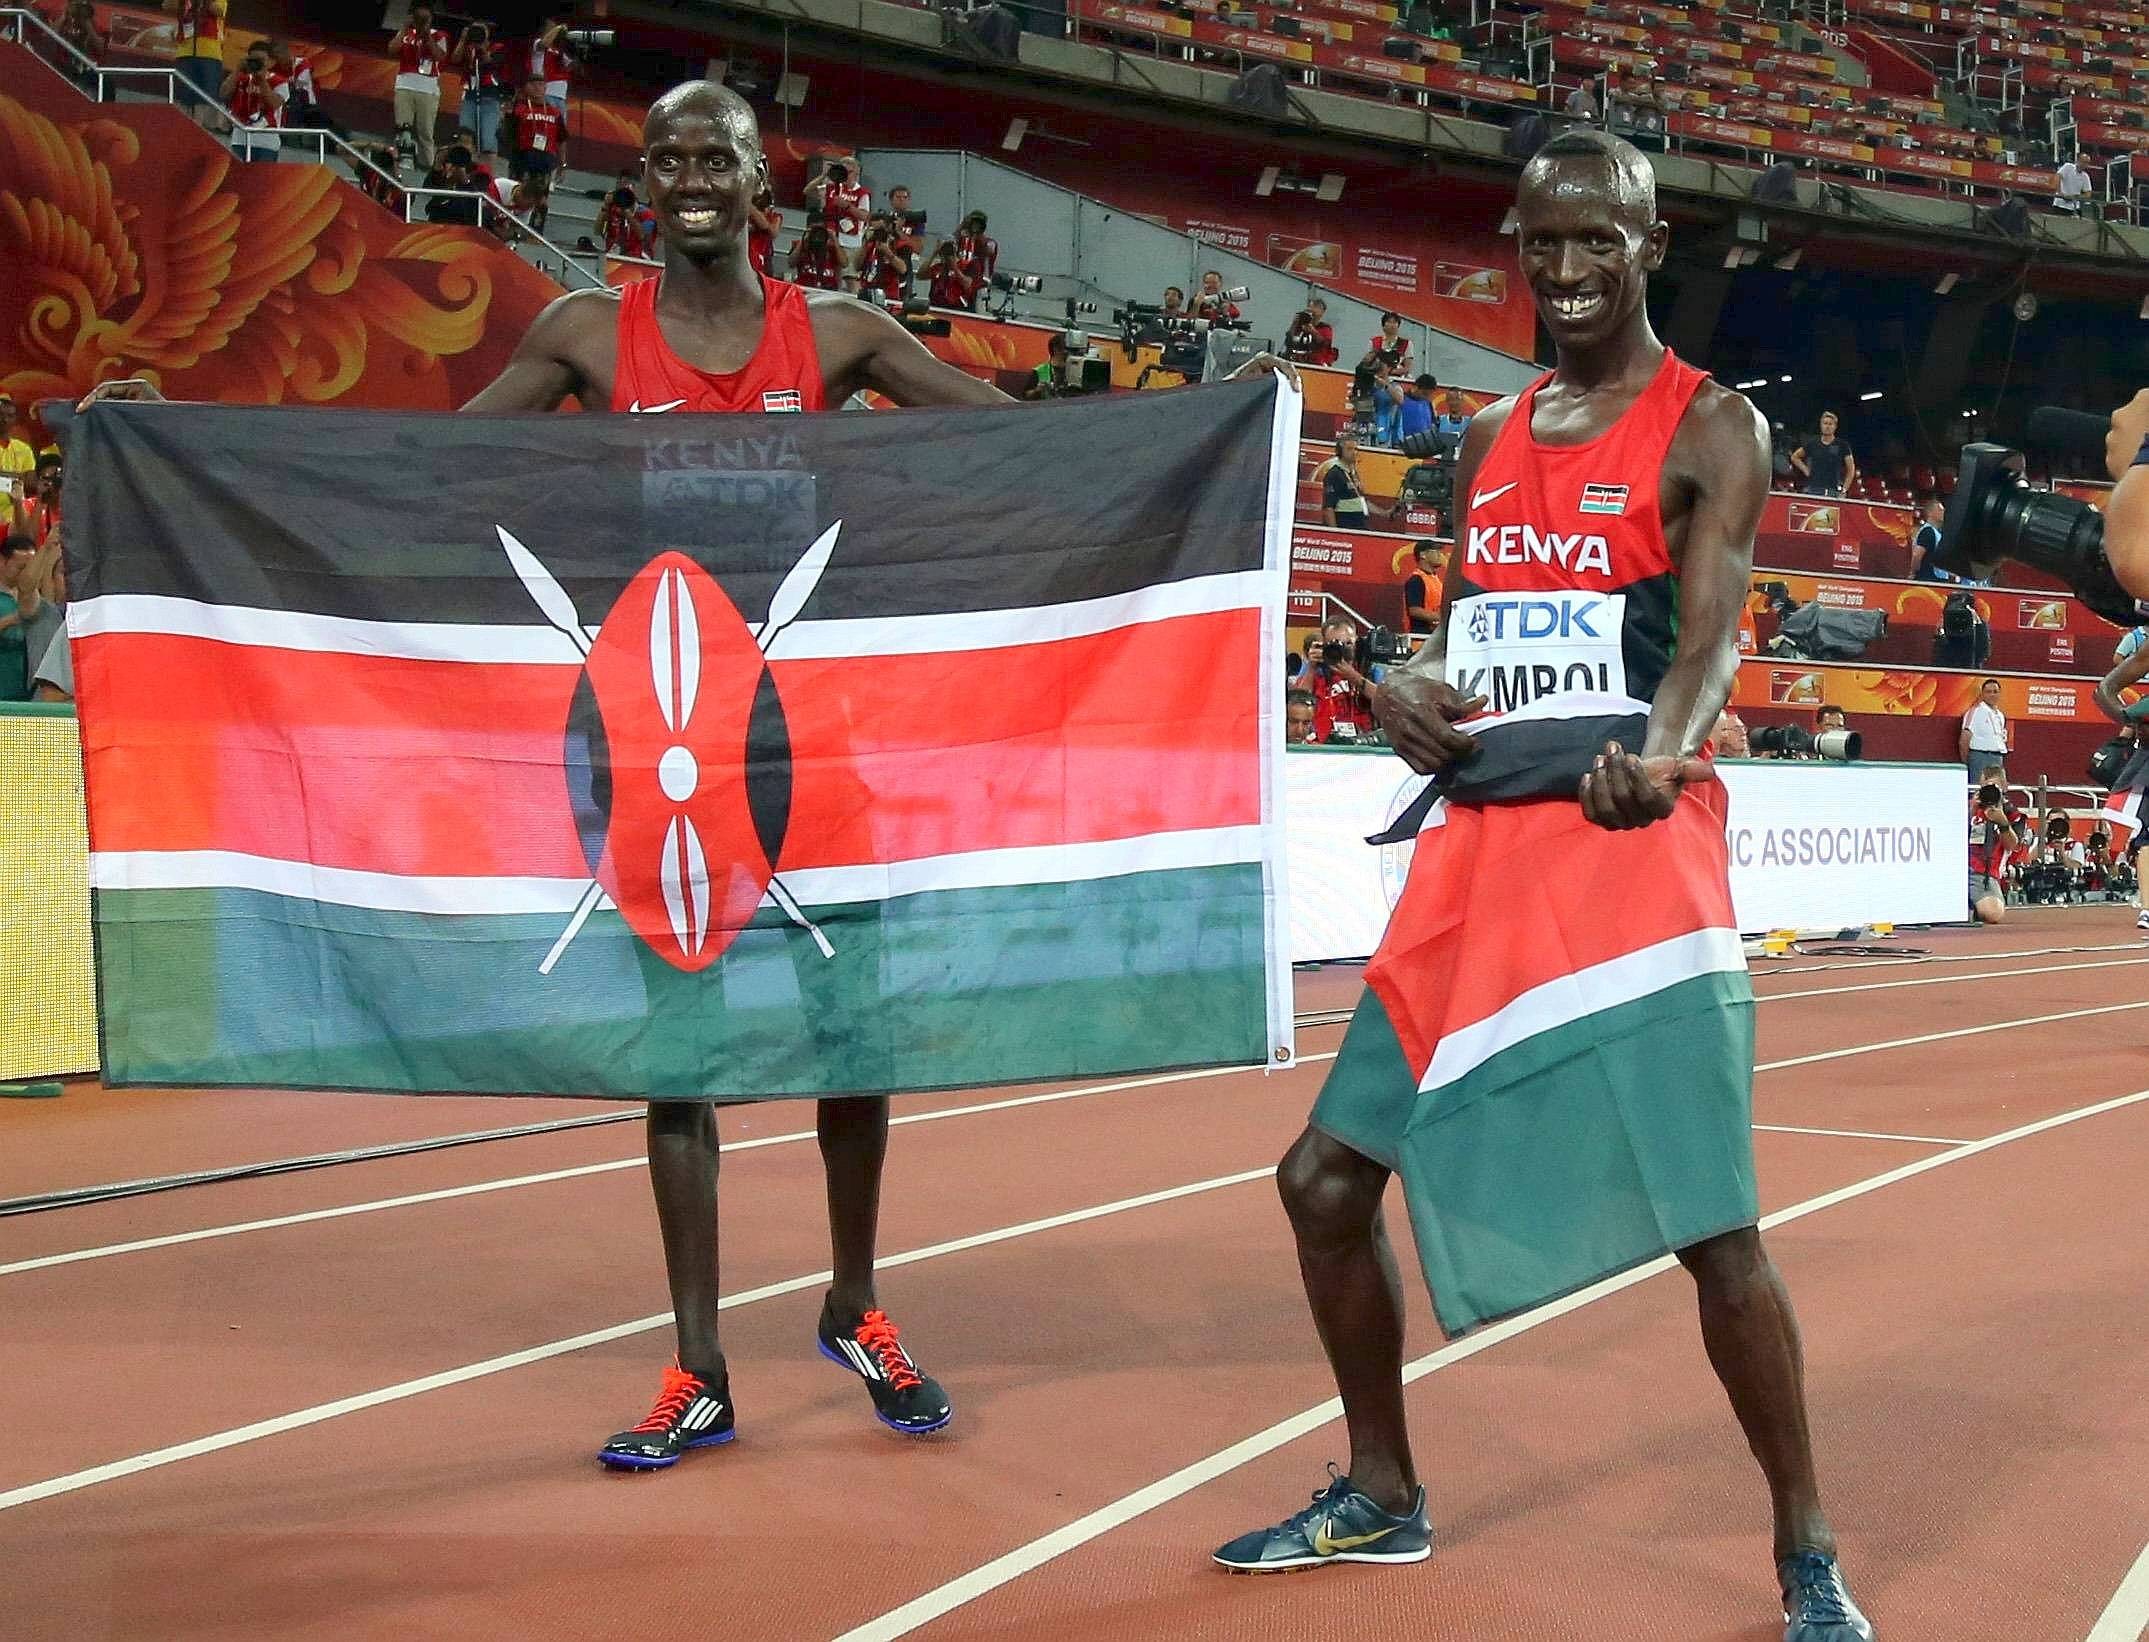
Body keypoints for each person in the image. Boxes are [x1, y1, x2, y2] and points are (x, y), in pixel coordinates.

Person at [81, 78, 1300, 1471]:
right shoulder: (588, 334)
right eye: (663, 156)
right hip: (664, 748)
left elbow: (1011, 437)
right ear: (642, 188)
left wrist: (1218, 422)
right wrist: (170, 430)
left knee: (860, 1035)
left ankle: (855, 1299)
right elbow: (417, 461)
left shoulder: (833, 332)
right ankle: (698, 1359)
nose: (688, 174)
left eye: (714, 153)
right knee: (679, 1056)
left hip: (816, 738)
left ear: (757, 184)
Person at [1214, 131, 1874, 1642]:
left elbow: (1702, 638)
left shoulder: (1707, 426)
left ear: (1651, 242)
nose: (1568, 271)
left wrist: (1665, 751)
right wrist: (1400, 680)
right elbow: (1478, 635)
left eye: (1600, 241)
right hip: (1477, 844)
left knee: (1715, 1226)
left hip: (1628, 851)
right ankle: (1381, 1489)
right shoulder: (1488, 437)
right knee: (1320, 1181)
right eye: (1545, 242)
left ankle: (1807, 1549)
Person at [391, 5, 450, 172]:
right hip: (404, 85)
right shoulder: (406, 34)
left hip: (428, 89)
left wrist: (427, 37)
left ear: (431, 19)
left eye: (426, 19)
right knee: (403, 126)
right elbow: (391, 49)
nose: (422, 22)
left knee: (425, 129)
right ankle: (404, 157)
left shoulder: (439, 35)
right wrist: (404, 28)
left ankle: (428, 163)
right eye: (419, 18)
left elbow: (440, 56)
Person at [1302, 618, 1377, 742]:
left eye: (1348, 643)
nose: (1342, 649)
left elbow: (1385, 699)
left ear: (1357, 642)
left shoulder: (1369, 669)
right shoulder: (1316, 668)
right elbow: (1298, 701)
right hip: (1324, 745)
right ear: (1325, 644)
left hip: (1363, 744)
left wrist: (1353, 676)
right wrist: (1311, 668)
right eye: (1335, 643)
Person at [1967, 780, 2023, 923]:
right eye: (1987, 788)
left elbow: (2012, 846)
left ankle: (1971, 907)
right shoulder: (1970, 807)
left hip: (1984, 874)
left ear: (2004, 788)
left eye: (1995, 788)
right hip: (1957, 869)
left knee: (1992, 913)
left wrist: (2003, 823)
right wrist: (1971, 811)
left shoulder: (2012, 815)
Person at [166, 0, 227, 128]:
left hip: (210, 53)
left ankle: (198, 129)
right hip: (185, 51)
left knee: (204, 95)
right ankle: (179, 128)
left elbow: (218, 10)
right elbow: (166, 5)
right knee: (183, 93)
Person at [455, 21, 508, 163]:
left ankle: (486, 174)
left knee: (488, 140)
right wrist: (462, 40)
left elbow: (490, 63)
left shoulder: (497, 47)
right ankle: (465, 166)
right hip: (469, 96)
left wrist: (482, 47)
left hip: (490, 98)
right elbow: (455, 59)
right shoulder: (468, 47)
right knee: (465, 134)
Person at [1789, 411, 1857, 498]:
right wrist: (1806, 470)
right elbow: (1795, 457)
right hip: (1813, 490)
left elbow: (1851, 469)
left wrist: (1844, 490)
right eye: (1825, 423)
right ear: (1821, 425)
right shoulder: (1813, 443)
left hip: (1833, 491)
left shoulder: (1842, 445)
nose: (1827, 426)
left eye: (1830, 424)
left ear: (1835, 427)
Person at [1960, 676, 2008, 781]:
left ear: (1999, 694)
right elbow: (1964, 738)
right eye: (1988, 692)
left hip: (1997, 757)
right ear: (1982, 694)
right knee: (1978, 791)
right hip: (1979, 757)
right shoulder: (1974, 712)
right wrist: (1967, 761)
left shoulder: (2000, 715)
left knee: (1995, 791)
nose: (1992, 694)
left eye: (1995, 691)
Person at [1320, 432, 1371, 529]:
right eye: (1349, 449)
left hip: (1359, 524)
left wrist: (1385, 513)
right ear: (1340, 451)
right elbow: (1328, 508)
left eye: (1356, 449)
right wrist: (1335, 533)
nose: (1354, 452)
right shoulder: (1334, 474)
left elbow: (1361, 500)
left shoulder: (1353, 472)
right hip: (1346, 526)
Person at [0, 393, 35, 533]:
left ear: (15, 420)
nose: (4, 419)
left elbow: (31, 483)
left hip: (15, 518)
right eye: (1, 414)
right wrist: (18, 477)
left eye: (10, 416)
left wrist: (5, 476)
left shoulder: (24, 449)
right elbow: (23, 479)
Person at [1401, 539, 1442, 637]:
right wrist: (1439, 618)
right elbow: (1414, 610)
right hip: (1421, 635)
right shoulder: (1416, 580)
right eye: (1436, 551)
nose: (1440, 555)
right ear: (1423, 555)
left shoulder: (1436, 580)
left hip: (1435, 634)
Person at [1284, 297, 1338, 366]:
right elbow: (1288, 342)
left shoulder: (1325, 328)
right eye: (1310, 307)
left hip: (1315, 364)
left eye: (1315, 307)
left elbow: (1324, 343)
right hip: (1296, 362)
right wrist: (1294, 324)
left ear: (1322, 312)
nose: (1311, 310)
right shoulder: (1299, 327)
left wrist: (1312, 331)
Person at [1363, 310, 1412, 377]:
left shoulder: (1406, 343)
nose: (1392, 325)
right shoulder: (1374, 341)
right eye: (1389, 322)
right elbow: (1367, 363)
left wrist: (1390, 371)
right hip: (1376, 377)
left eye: (1395, 322)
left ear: (1398, 325)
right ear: (1383, 326)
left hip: (1397, 379)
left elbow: (1407, 368)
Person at [1908, 497, 1946, 581]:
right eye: (1940, 509)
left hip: (1938, 578)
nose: (1943, 512)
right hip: (1928, 579)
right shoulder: (1927, 532)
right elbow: (1917, 555)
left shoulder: (1937, 532)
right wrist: (1913, 573)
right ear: (1930, 513)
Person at [1026, 334, 1071, 400]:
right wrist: (1037, 390)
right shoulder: (1039, 370)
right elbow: (1026, 395)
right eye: (1067, 349)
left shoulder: (1075, 370)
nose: (1069, 353)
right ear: (1056, 349)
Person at [1397, 373, 1437, 443]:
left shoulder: (1428, 403)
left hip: (1424, 444)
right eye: (1425, 393)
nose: (1426, 397)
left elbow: (1432, 425)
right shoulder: (1402, 400)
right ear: (1416, 387)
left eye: (1429, 394)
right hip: (1404, 443)